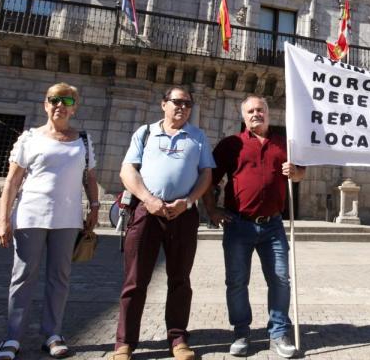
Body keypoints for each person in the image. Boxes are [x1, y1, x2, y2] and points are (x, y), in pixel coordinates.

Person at [0, 83, 99, 360]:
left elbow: (89, 177)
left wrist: (95, 207)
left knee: (59, 277)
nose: (59, 105)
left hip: (67, 218)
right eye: (54, 100)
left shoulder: (84, 140)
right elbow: (12, 181)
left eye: (66, 100)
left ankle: (53, 334)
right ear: (45, 104)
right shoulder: (30, 138)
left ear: (75, 107)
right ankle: (12, 337)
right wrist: (3, 219)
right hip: (30, 215)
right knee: (22, 277)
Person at [113, 86, 215, 360]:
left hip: (183, 215)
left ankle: (178, 338)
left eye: (187, 104)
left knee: (180, 279)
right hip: (147, 213)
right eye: (176, 102)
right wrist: (148, 199)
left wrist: (189, 201)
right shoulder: (145, 133)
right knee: (135, 281)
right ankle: (124, 343)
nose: (182, 107)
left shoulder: (198, 137)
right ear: (163, 104)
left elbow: (206, 174)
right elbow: (127, 170)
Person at [204, 95, 306, 359]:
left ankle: (279, 333)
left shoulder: (284, 143)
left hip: (273, 226)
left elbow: (301, 173)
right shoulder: (231, 144)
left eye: (260, 110)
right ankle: (241, 332)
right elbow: (209, 179)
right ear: (243, 116)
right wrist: (212, 210)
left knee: (281, 280)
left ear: (268, 113)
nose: (255, 114)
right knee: (237, 281)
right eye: (250, 111)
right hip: (238, 225)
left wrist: (294, 172)